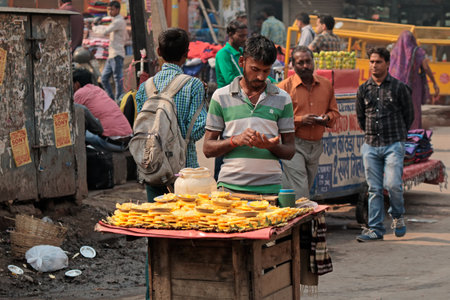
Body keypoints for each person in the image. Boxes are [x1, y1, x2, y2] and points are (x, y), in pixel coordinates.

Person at [203, 35, 295, 195]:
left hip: (271, 191)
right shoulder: (220, 97)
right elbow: (207, 148)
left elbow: (290, 151)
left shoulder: (283, 99)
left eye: (266, 71)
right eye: (255, 69)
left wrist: (270, 146)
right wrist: (235, 141)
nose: (260, 76)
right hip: (229, 190)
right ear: (242, 62)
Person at [135, 28, 207, 201]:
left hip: (153, 168)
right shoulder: (194, 85)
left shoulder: (145, 87)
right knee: (184, 222)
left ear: (159, 52)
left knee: (157, 220)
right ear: (187, 54)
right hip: (185, 171)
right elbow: (198, 130)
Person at [355, 47, 414, 242]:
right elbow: (361, 118)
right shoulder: (364, 89)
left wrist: (400, 138)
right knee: (374, 189)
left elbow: (409, 115)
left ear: (387, 64)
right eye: (371, 61)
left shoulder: (399, 87)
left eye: (378, 62)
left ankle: (397, 215)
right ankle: (376, 229)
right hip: (371, 144)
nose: (374, 65)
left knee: (393, 185)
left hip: (393, 144)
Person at [278, 46, 340, 199]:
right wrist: (300, 120)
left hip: (316, 146)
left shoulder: (326, 85)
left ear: (313, 62)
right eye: (300, 62)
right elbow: (276, 120)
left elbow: (335, 112)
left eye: (308, 61)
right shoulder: (284, 88)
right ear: (292, 64)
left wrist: (327, 118)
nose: (305, 66)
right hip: (293, 144)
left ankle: (289, 214)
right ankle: (302, 220)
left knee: (303, 187)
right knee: (301, 190)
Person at [73, 68, 133, 152]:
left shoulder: (79, 94)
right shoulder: (98, 89)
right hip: (128, 141)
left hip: (113, 143)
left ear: (77, 84)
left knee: (75, 135)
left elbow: (72, 117)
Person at [389, 30, 440, 129]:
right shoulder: (417, 51)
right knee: (414, 110)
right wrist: (434, 83)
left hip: (396, 86)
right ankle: (413, 136)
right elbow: (425, 67)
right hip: (413, 86)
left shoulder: (394, 52)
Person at [93, 1, 126, 100]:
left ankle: (118, 100)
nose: (110, 11)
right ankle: (111, 99)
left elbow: (105, 31)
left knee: (117, 79)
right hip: (112, 55)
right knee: (104, 78)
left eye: (111, 9)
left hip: (117, 54)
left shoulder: (119, 21)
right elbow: (106, 28)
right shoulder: (115, 20)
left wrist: (94, 27)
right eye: (109, 9)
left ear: (117, 9)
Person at [215, 20, 248, 88]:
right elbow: (229, 79)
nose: (245, 39)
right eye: (241, 36)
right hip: (227, 94)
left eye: (245, 36)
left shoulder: (242, 52)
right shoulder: (223, 54)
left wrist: (274, 82)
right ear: (230, 35)